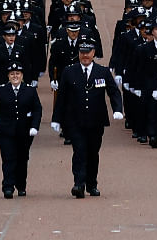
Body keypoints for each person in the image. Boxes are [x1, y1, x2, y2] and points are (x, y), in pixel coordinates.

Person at [51, 39, 124, 198]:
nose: (85, 56)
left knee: (92, 153)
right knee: (79, 151)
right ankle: (79, 183)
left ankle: (92, 184)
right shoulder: (69, 72)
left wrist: (117, 109)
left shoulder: (102, 72)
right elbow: (61, 97)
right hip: (75, 121)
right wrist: (56, 119)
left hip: (96, 120)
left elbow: (114, 92)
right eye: (82, 53)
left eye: (88, 53)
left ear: (93, 53)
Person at [0, 61, 43, 198]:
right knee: (8, 159)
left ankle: (21, 186)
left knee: (22, 158)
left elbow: (37, 109)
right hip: (5, 131)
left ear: (22, 75)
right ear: (8, 76)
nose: (15, 76)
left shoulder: (30, 90)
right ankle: (7, 187)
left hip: (24, 132)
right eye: (12, 74)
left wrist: (34, 126)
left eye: (17, 74)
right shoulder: (1, 91)